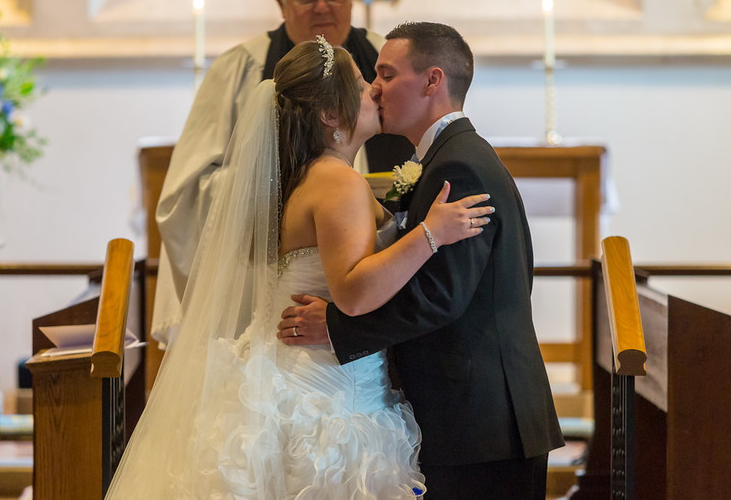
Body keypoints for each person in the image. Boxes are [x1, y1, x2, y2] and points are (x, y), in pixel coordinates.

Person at [105, 37, 492, 498]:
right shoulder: (338, 182)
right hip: (326, 392)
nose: (373, 90)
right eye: (361, 82)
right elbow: (350, 293)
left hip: (286, 375)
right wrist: (430, 234)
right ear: (330, 115)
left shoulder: (304, 177)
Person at [278, 22, 564, 500]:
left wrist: (338, 329)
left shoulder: (459, 165)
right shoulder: (441, 161)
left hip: (482, 422)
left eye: (387, 74)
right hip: (469, 420)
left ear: (433, 81)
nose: (375, 88)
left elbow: (441, 295)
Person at [152, 0, 413, 346]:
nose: (322, 7)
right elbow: (184, 198)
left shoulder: (390, 61)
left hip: (379, 309)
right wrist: (290, 190)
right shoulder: (240, 69)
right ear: (280, 0)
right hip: (280, 297)